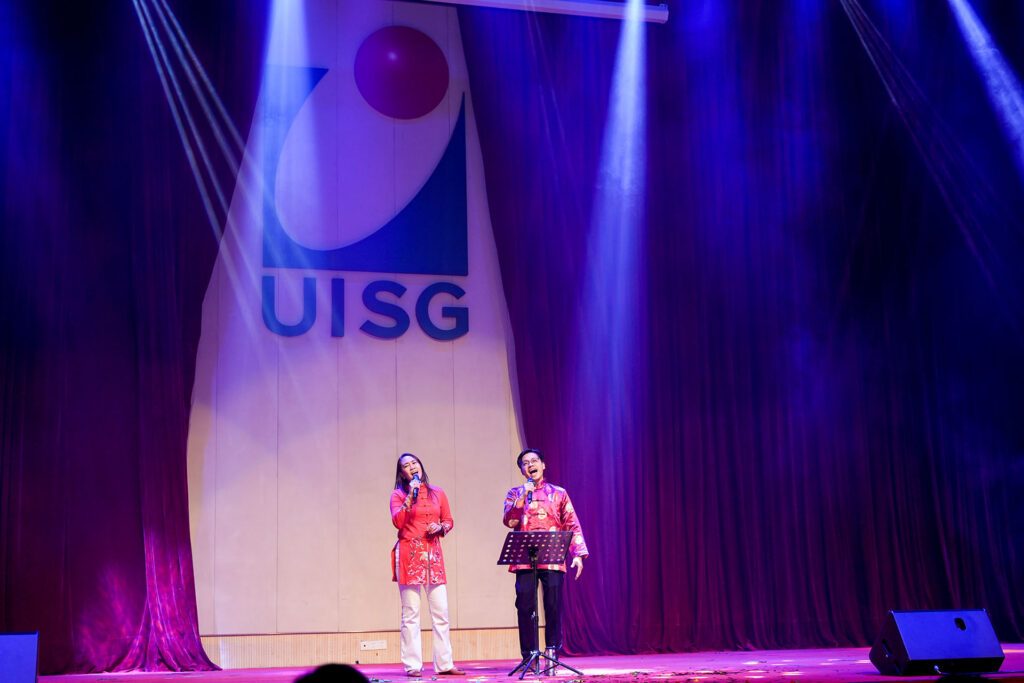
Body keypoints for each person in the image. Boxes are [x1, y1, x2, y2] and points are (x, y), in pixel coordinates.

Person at [502, 448, 588, 667]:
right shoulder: (514, 494)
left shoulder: (559, 493)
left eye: (534, 461)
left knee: (553, 605)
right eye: (525, 463)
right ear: (522, 470)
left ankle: (552, 654)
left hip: (552, 556)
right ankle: (529, 656)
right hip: (524, 558)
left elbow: (571, 523)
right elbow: (510, 521)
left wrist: (578, 554)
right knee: (524, 606)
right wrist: (522, 497)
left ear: (543, 465)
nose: (530, 465)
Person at [390, 453, 465, 678]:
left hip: (433, 556)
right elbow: (398, 522)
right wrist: (409, 497)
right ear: (402, 473)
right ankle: (412, 665)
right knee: (411, 613)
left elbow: (448, 520)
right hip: (409, 556)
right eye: (406, 465)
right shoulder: (397, 494)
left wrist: (440, 527)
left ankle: (444, 664)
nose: (412, 467)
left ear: (421, 466)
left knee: (441, 612)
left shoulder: (437, 492)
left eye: (414, 463)